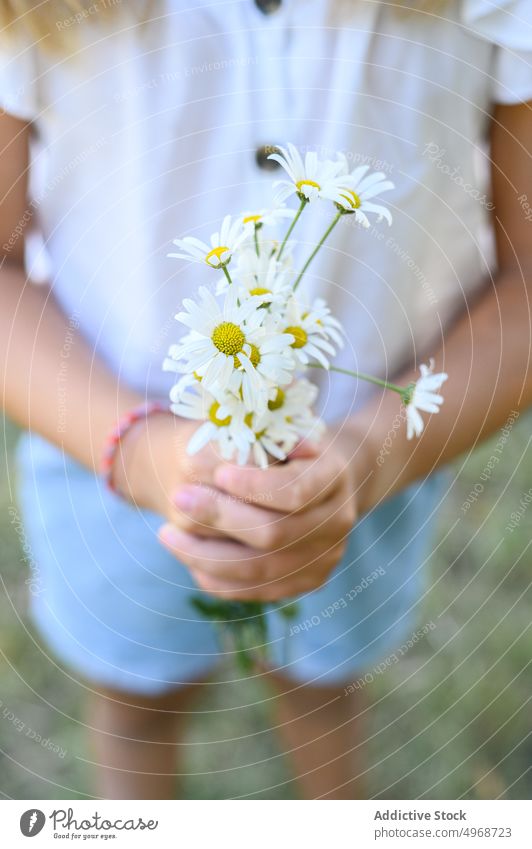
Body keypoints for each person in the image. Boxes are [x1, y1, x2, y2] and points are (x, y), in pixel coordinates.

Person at [0, 0, 530, 800]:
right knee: (135, 700)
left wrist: (373, 453)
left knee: (324, 686)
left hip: (373, 470)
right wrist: (140, 452)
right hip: (98, 446)